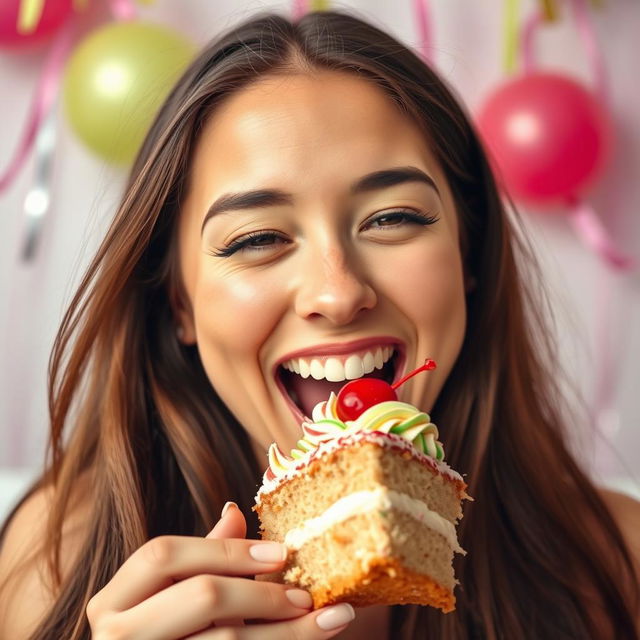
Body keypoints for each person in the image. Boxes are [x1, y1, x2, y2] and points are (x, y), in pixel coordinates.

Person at [1, 9, 638, 639]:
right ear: (180, 305)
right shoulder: (57, 563)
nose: (337, 294)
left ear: (468, 257)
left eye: (393, 218)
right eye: (258, 237)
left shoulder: (619, 563)